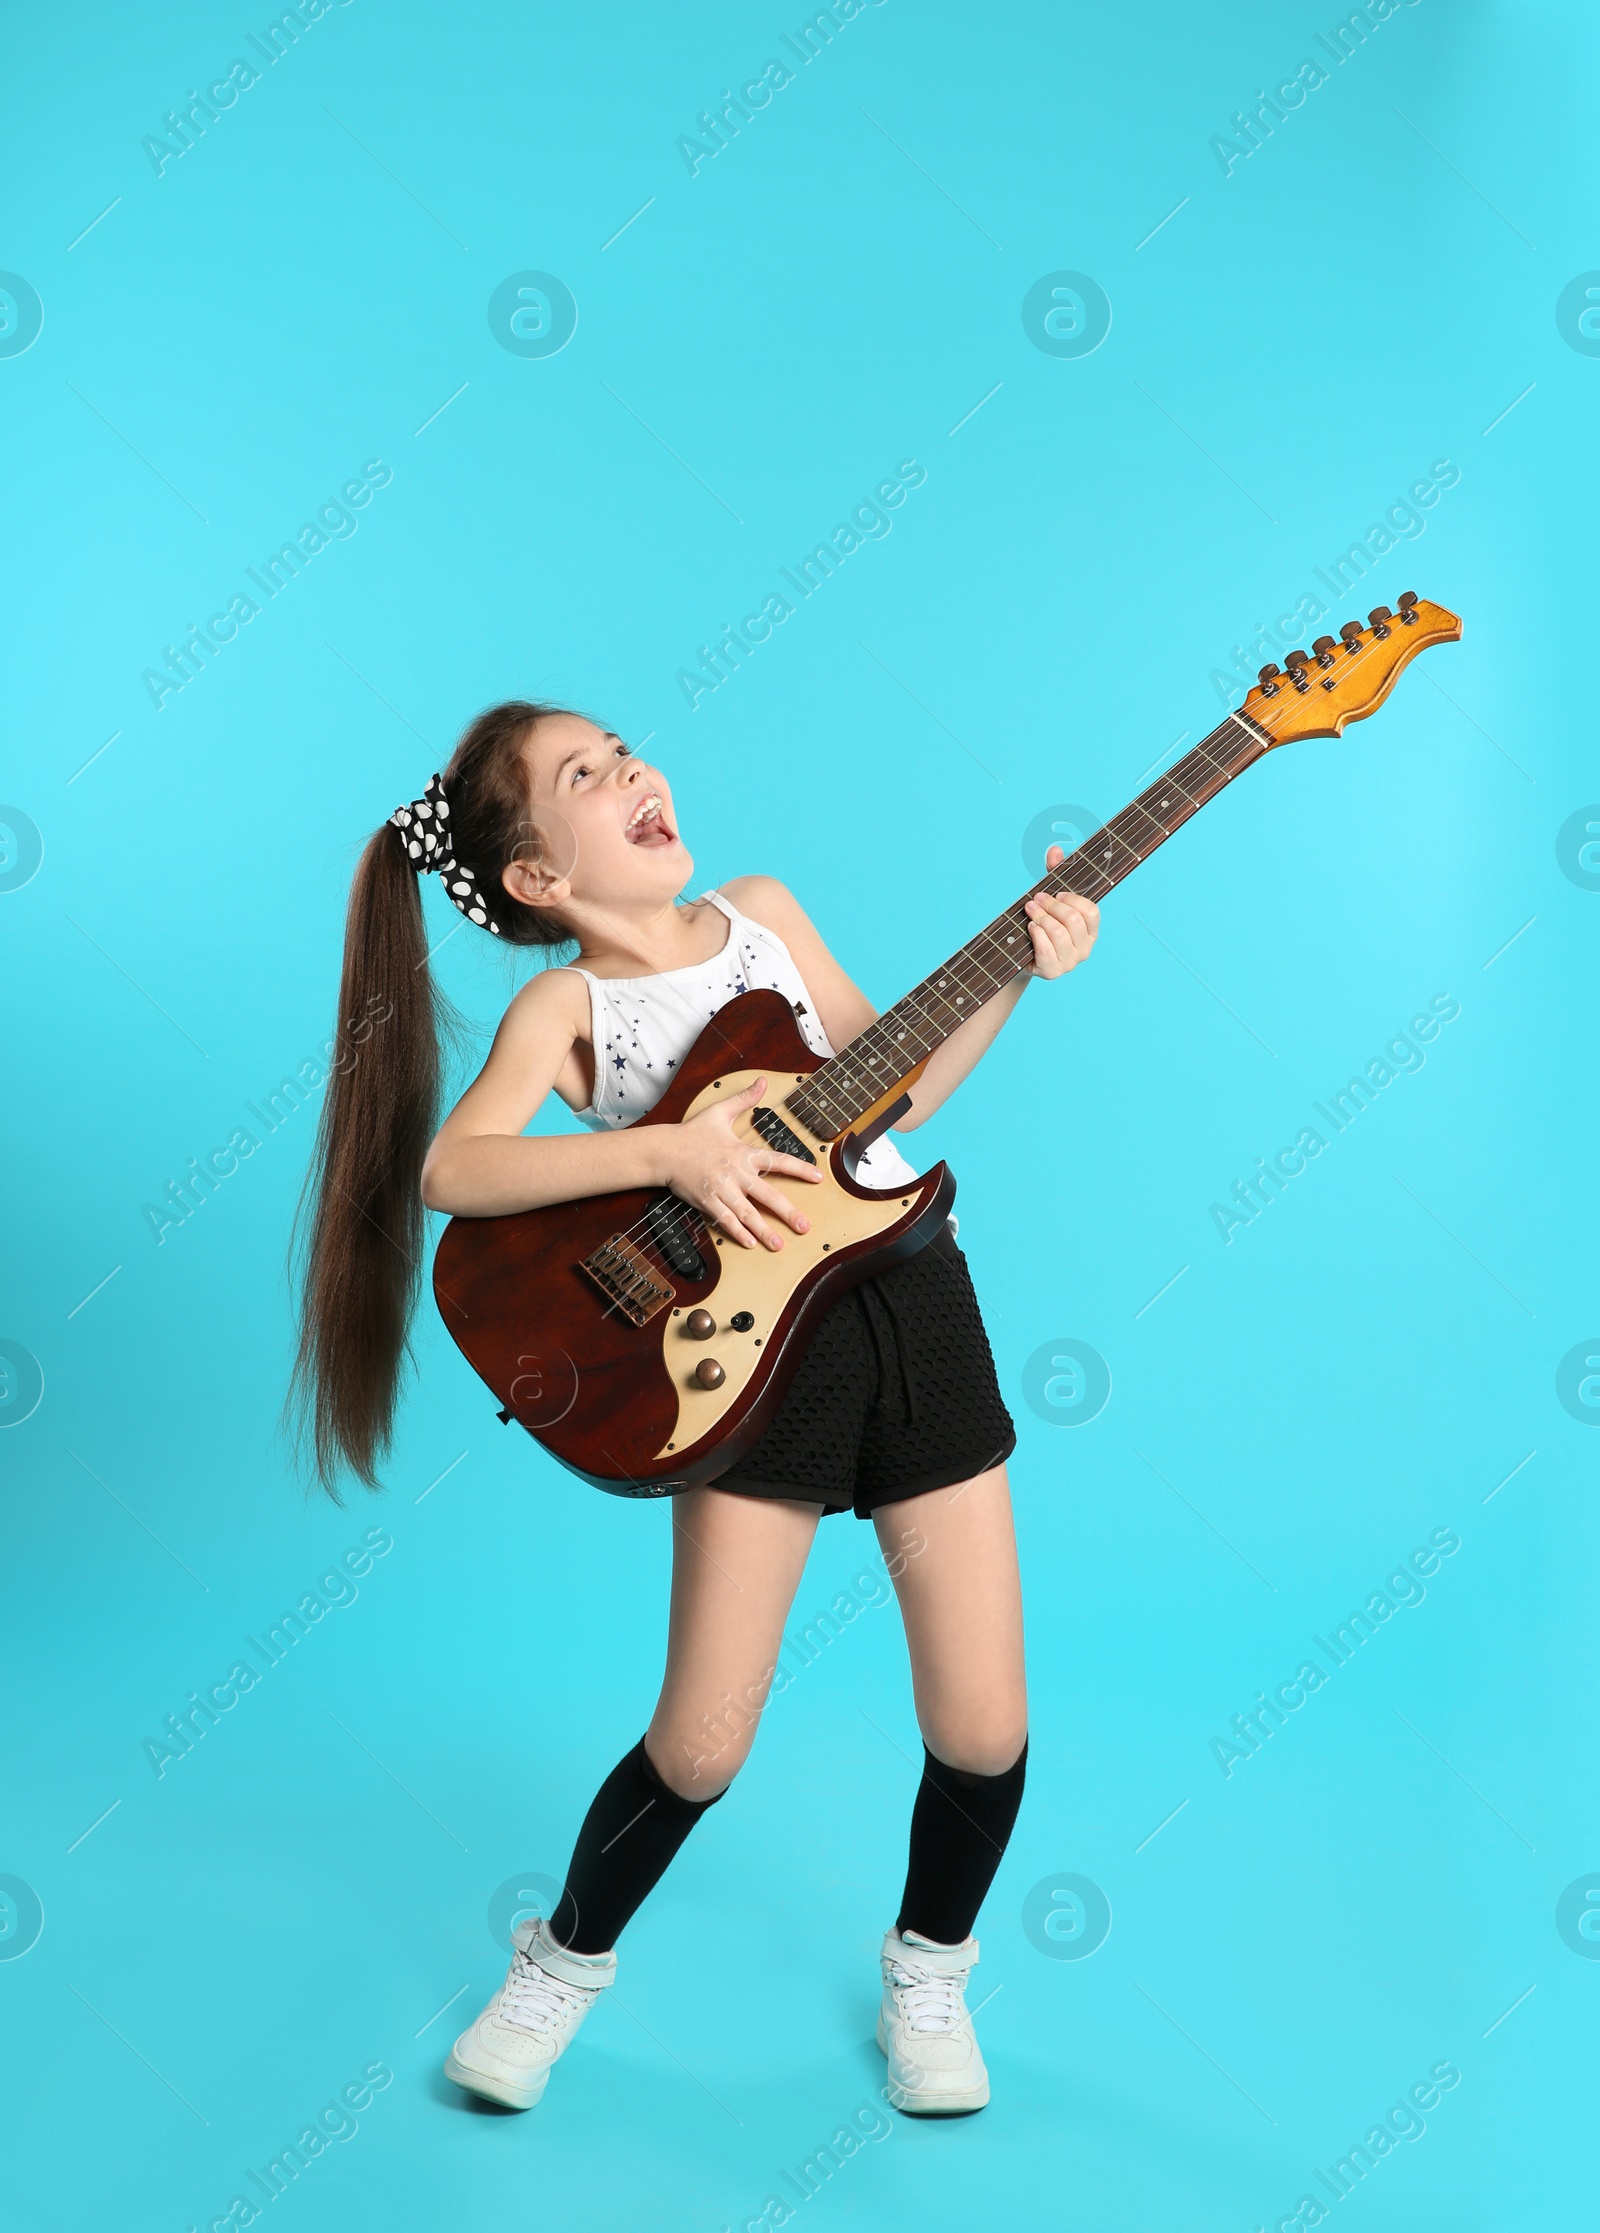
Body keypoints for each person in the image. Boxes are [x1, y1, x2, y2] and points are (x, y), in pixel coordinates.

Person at [290, 699, 1098, 2117]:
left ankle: (932, 1972)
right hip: (736, 1356)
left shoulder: (764, 912)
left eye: (626, 752)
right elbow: (455, 1173)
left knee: (981, 1720)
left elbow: (893, 1085)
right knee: (705, 1736)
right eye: (587, 780)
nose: (634, 775)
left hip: (911, 1308)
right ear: (540, 879)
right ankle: (561, 1960)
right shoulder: (570, 1010)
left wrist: (1018, 970)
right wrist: (676, 1150)